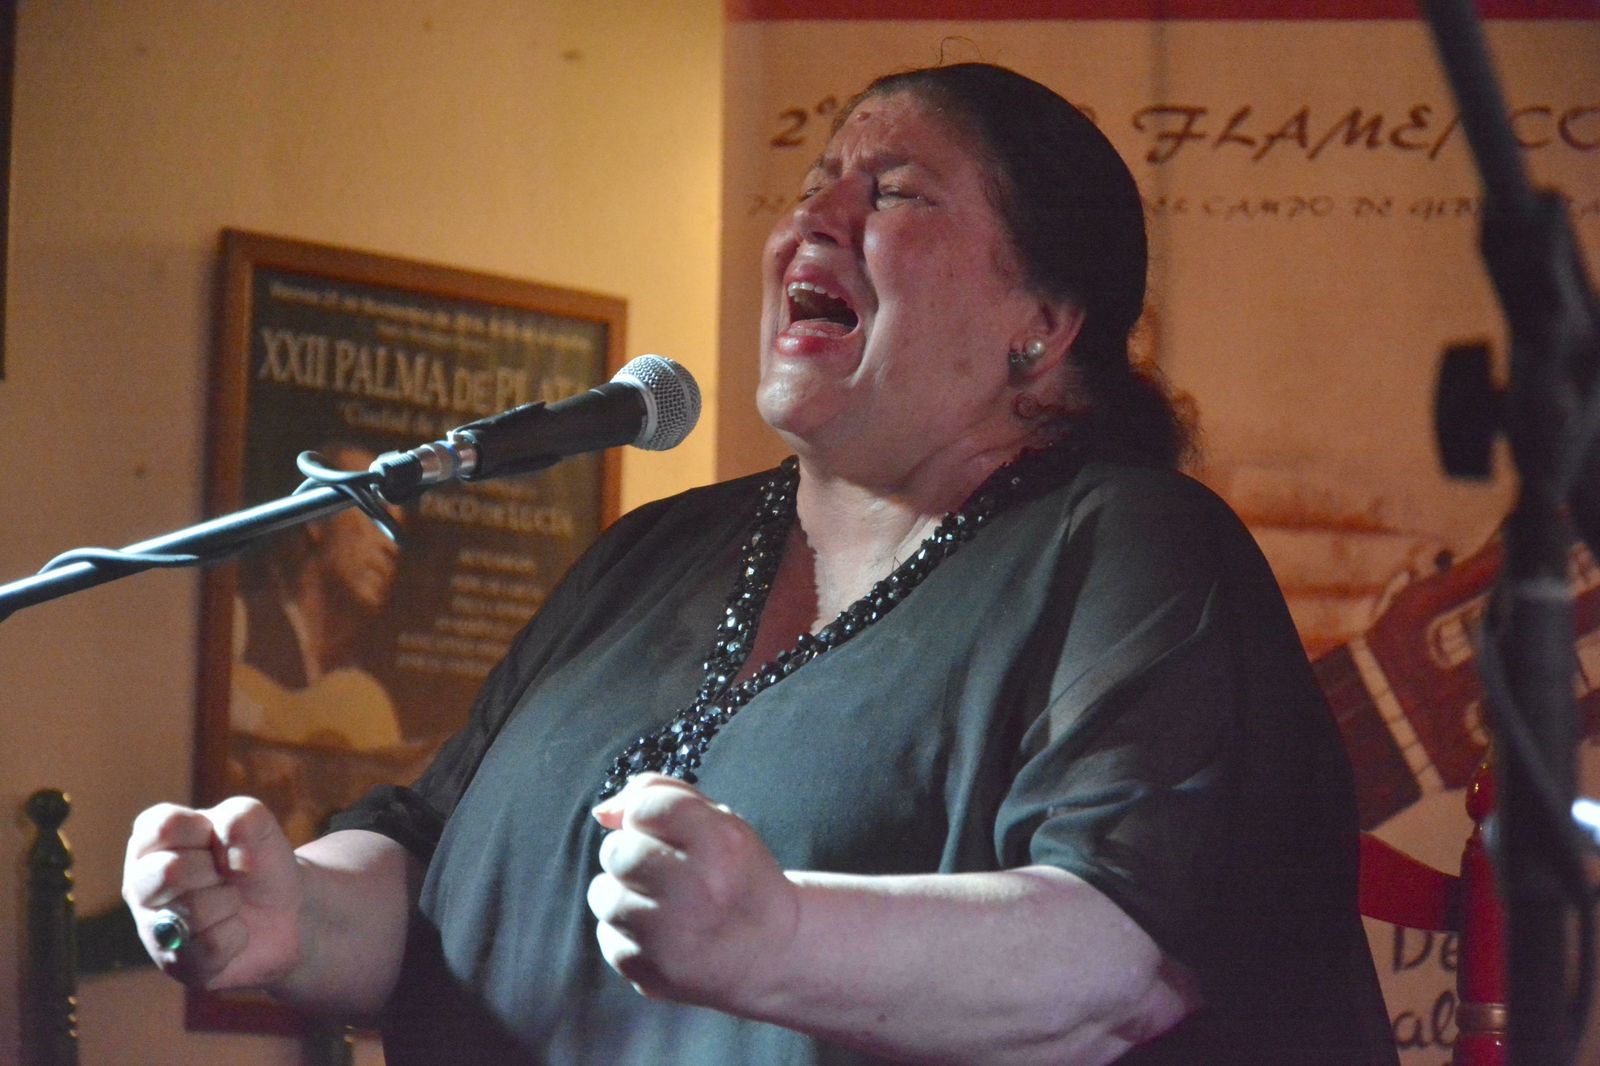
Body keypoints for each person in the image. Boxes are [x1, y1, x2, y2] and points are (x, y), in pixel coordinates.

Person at [123, 64, 1397, 1065]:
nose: (811, 219)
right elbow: (427, 864)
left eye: (892, 193)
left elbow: (1123, 965)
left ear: (1043, 323)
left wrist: (775, 939)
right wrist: (287, 914)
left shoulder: (1127, 546)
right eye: (816, 179)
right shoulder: (653, 553)